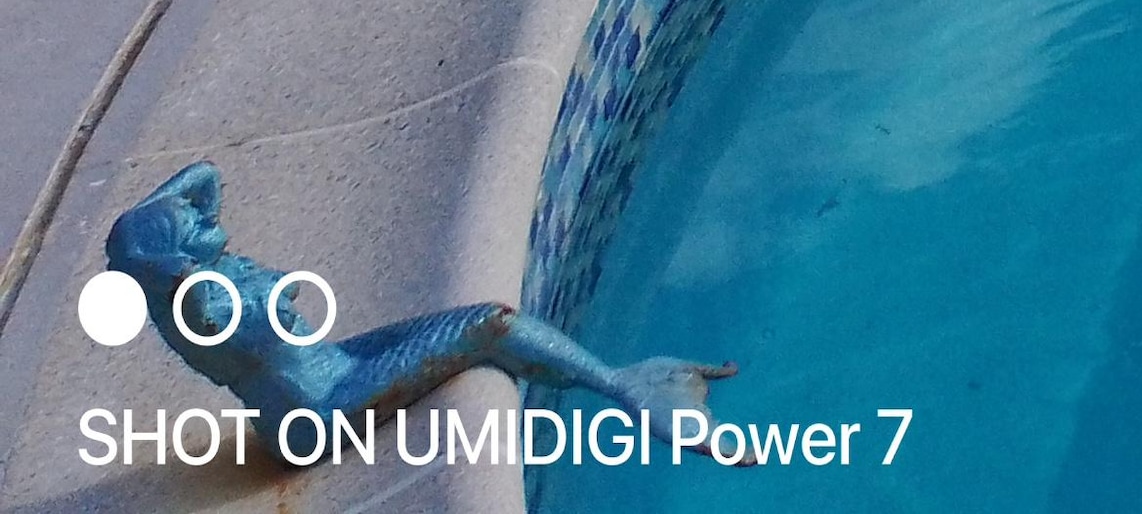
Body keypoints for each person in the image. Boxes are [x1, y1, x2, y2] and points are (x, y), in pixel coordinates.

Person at [99, 164, 735, 435]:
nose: (218, 228)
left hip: (336, 364)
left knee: (464, 323)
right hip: (315, 412)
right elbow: (179, 243)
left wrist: (157, 227)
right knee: (489, 325)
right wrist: (157, 255)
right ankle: (627, 389)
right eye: (195, 226)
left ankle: (622, 382)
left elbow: (205, 175)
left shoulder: (200, 275)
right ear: (172, 258)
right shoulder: (198, 302)